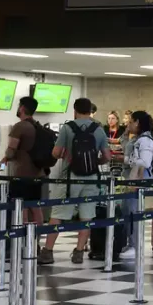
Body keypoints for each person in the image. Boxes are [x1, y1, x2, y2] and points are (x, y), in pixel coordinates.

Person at [39, 98, 111, 265]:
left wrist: (65, 155)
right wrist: (95, 163)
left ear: (75, 110)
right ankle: (79, 252)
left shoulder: (67, 128)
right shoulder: (98, 129)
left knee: (57, 215)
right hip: (92, 179)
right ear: (90, 110)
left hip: (70, 178)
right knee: (86, 216)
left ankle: (48, 251)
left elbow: (55, 153)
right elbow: (107, 157)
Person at [120, 110, 153, 260]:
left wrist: (126, 161)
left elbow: (145, 162)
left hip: (139, 179)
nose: (128, 124)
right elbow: (126, 147)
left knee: (134, 212)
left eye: (131, 122)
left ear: (137, 122)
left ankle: (135, 245)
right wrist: (125, 133)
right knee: (127, 211)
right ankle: (130, 242)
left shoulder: (145, 140)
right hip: (131, 177)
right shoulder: (137, 139)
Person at [3, 97, 45, 226]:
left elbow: (11, 150)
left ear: (21, 108)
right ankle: (36, 237)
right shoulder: (38, 126)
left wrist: (5, 159)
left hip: (21, 174)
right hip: (38, 173)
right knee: (35, 206)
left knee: (21, 206)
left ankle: (21, 239)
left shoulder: (19, 126)